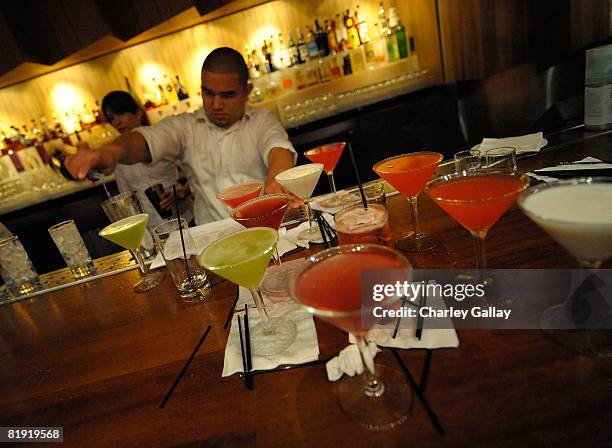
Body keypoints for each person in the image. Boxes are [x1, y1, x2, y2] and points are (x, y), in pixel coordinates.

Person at [67, 47, 297, 225]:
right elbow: (144, 141)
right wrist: (110, 151)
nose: (216, 104)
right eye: (208, 93)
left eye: (227, 95)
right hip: (214, 238)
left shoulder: (262, 120)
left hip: (266, 226)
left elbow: (278, 149)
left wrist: (277, 179)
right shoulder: (186, 127)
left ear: (246, 92)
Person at [100, 91, 193, 227]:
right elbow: (127, 199)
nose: (117, 122)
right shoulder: (119, 155)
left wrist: (181, 192)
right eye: (112, 118)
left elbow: (198, 174)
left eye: (121, 114)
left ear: (138, 112)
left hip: (183, 218)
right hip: (153, 228)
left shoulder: (161, 138)